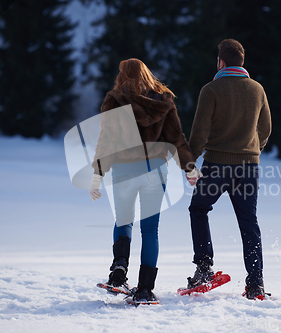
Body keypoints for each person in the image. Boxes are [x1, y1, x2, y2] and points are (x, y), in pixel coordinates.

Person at [89, 58, 197, 304]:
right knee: (150, 230)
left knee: (124, 220)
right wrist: (189, 168)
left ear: (122, 76)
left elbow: (106, 140)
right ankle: (145, 290)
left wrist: (98, 173)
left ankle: (118, 272)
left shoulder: (114, 100)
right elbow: (176, 138)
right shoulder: (164, 100)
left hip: (124, 172)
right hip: (155, 173)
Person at [185, 39, 272, 299]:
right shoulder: (257, 90)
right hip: (248, 168)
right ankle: (256, 284)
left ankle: (204, 269)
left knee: (199, 209)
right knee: (249, 223)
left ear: (221, 61)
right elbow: (265, 129)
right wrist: (252, 150)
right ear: (241, 61)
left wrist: (190, 162)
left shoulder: (211, 90)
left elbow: (199, 132)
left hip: (216, 166)